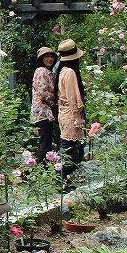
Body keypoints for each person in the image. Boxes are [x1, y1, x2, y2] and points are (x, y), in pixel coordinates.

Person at [54, 39, 87, 187]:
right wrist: (77, 115)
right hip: (69, 113)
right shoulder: (69, 72)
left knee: (70, 147)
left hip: (64, 112)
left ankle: (64, 179)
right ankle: (60, 180)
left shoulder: (63, 70)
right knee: (68, 149)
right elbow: (73, 96)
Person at [31, 46, 58, 163]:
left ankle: (43, 168)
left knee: (46, 142)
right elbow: (42, 92)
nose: (50, 59)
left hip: (44, 112)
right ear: (41, 58)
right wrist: (55, 96)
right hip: (43, 111)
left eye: (51, 56)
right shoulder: (41, 71)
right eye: (47, 56)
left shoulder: (47, 72)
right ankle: (41, 169)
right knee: (45, 143)